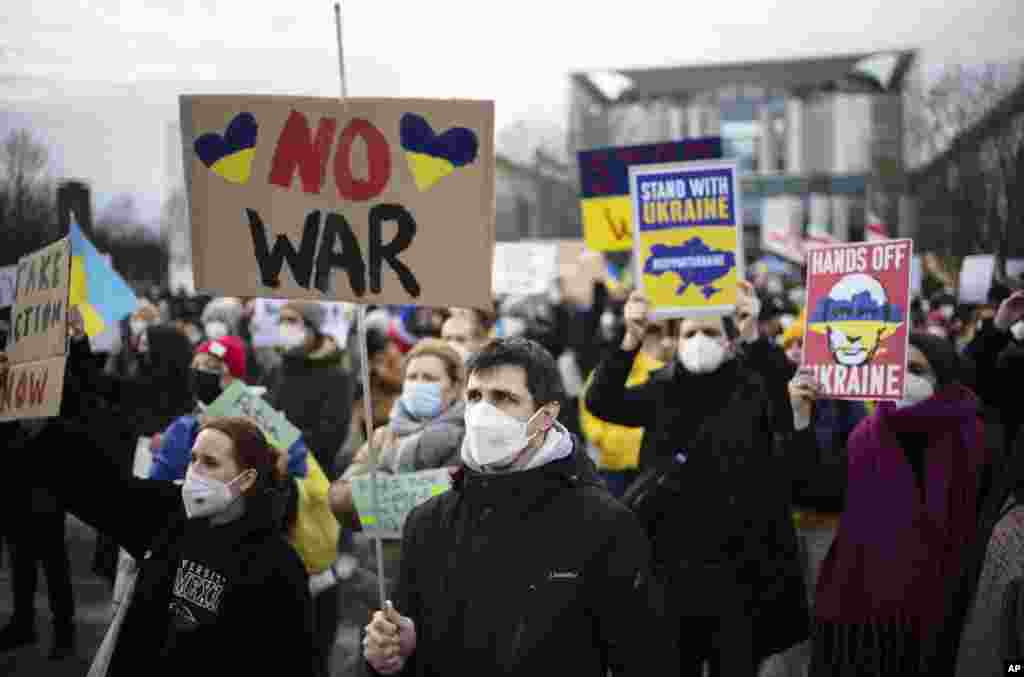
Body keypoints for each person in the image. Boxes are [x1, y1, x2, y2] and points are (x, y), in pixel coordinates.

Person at [362, 337, 653, 676]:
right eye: (475, 397)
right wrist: (395, 655)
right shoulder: (428, 522)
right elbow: (408, 647)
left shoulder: (603, 525)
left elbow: (642, 656)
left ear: (546, 416)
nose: (483, 413)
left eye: (503, 398)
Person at [585, 290, 809, 676]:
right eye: (690, 333)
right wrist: (631, 338)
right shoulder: (662, 388)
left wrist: (752, 334)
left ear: (728, 340)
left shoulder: (753, 386)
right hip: (672, 561)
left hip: (741, 567)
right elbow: (601, 400)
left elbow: (783, 393)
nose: (699, 340)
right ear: (676, 340)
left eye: (710, 331)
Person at [146, 335, 344, 677]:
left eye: (214, 367)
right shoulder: (183, 427)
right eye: (198, 365)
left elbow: (299, 469)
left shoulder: (261, 419)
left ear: (235, 377)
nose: (202, 372)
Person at [810, 334, 988, 676]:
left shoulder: (974, 439)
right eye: (898, 369)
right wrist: (801, 419)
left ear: (943, 377)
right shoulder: (866, 435)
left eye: (916, 370)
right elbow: (818, 490)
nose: (904, 378)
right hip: (867, 615)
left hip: (943, 614)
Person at [578, 318, 675, 498]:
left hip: (641, 461)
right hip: (612, 462)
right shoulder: (607, 370)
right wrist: (601, 438)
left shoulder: (658, 374)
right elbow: (589, 405)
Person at [265, 301, 354, 480]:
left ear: (313, 329)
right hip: (271, 469)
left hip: (312, 473)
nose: (284, 326)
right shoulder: (277, 369)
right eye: (281, 321)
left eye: (291, 320)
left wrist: (284, 445)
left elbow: (331, 436)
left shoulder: (336, 376)